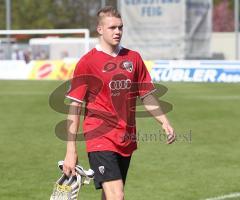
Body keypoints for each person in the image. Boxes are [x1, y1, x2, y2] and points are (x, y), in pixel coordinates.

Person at [63, 6, 175, 200]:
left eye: (120, 27)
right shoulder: (87, 62)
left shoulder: (133, 58)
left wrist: (164, 121)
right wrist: (70, 151)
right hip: (99, 138)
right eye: (112, 27)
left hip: (126, 138)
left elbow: (146, 94)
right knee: (117, 195)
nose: (117, 32)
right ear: (100, 30)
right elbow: (75, 107)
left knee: (110, 196)